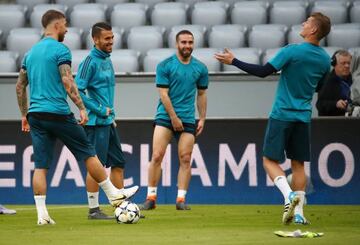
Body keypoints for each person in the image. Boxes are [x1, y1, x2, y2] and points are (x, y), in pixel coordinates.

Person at [15, 10, 138, 225]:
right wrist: (81, 108)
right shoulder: (61, 50)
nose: (66, 29)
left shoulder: (30, 53)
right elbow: (67, 81)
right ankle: (113, 195)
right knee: (89, 154)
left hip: (35, 114)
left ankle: (42, 215)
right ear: (55, 26)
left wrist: (24, 115)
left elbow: (20, 86)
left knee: (41, 166)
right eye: (64, 25)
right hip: (58, 113)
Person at [215, 12, 331, 225]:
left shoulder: (292, 51)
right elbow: (322, 89)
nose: (303, 24)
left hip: (282, 114)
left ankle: (289, 196)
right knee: (298, 165)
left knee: (269, 160)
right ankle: (299, 214)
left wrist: (234, 61)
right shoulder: (325, 59)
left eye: (307, 22)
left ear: (313, 30)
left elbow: (263, 72)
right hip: (303, 117)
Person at [140, 30, 209, 211]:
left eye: (190, 42)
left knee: (186, 158)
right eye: (184, 42)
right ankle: (151, 198)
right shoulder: (165, 65)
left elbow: (201, 94)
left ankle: (180, 200)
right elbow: (163, 93)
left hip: (187, 119)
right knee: (156, 156)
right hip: (165, 116)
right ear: (177, 44)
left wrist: (202, 118)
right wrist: (173, 117)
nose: (187, 46)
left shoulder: (200, 68)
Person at [75, 22, 138, 219]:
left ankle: (122, 208)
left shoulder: (107, 60)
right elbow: (77, 90)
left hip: (107, 122)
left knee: (118, 163)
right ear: (95, 39)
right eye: (107, 38)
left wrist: (111, 116)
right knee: (97, 166)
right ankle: (93, 210)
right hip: (95, 123)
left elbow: (105, 93)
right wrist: (100, 110)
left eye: (112, 38)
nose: (111, 41)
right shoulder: (89, 62)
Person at [316, 50, 353, 116]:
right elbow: (319, 104)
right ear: (334, 64)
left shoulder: (353, 79)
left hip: (350, 120)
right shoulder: (326, 81)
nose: (347, 66)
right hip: (332, 122)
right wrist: (336, 104)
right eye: (343, 63)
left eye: (348, 63)